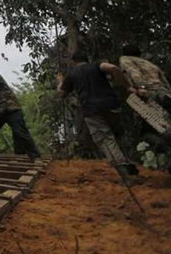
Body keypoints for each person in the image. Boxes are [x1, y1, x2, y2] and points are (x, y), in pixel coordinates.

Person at [58, 51, 140, 184]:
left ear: (73, 62)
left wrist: (60, 81)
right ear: (87, 58)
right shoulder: (97, 65)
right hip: (111, 105)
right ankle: (127, 160)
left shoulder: (72, 75)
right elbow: (113, 68)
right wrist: (128, 86)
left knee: (105, 139)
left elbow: (61, 94)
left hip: (91, 110)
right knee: (118, 134)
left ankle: (124, 171)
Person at [119, 44, 171, 125]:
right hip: (163, 91)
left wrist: (141, 87)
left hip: (147, 92)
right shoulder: (149, 63)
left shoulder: (125, 59)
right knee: (170, 120)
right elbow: (164, 80)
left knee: (152, 122)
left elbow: (134, 73)